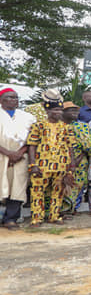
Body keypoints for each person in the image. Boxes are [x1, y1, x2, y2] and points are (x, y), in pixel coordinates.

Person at [25, 91, 75, 226]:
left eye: (60, 110)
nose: (58, 113)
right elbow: (31, 146)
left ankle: (54, 216)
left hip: (61, 165)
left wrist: (72, 166)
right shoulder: (38, 125)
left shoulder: (67, 127)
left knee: (58, 192)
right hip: (42, 165)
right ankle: (37, 218)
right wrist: (32, 164)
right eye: (55, 110)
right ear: (47, 110)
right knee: (37, 191)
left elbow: (70, 147)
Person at [0, 87, 35, 228]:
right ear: (1, 100)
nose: (15, 100)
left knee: (18, 187)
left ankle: (11, 219)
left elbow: (33, 138)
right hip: (2, 155)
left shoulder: (27, 117)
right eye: (10, 97)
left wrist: (19, 153)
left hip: (21, 156)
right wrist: (8, 154)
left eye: (16, 97)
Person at [61, 102, 91, 216]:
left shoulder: (83, 126)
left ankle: (73, 208)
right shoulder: (57, 126)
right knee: (60, 185)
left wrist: (77, 159)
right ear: (63, 112)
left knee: (77, 185)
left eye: (76, 110)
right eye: (71, 110)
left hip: (80, 161)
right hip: (59, 161)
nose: (75, 113)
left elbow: (90, 145)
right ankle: (59, 210)